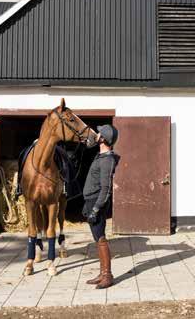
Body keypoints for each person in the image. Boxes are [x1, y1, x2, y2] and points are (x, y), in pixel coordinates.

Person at [82, 124, 120, 289]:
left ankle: (108, 276)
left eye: (98, 134)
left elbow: (106, 189)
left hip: (96, 202)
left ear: (103, 138)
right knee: (98, 238)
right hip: (91, 200)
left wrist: (96, 209)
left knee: (101, 238)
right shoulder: (101, 156)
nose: (96, 135)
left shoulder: (107, 160)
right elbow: (90, 143)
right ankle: (102, 272)